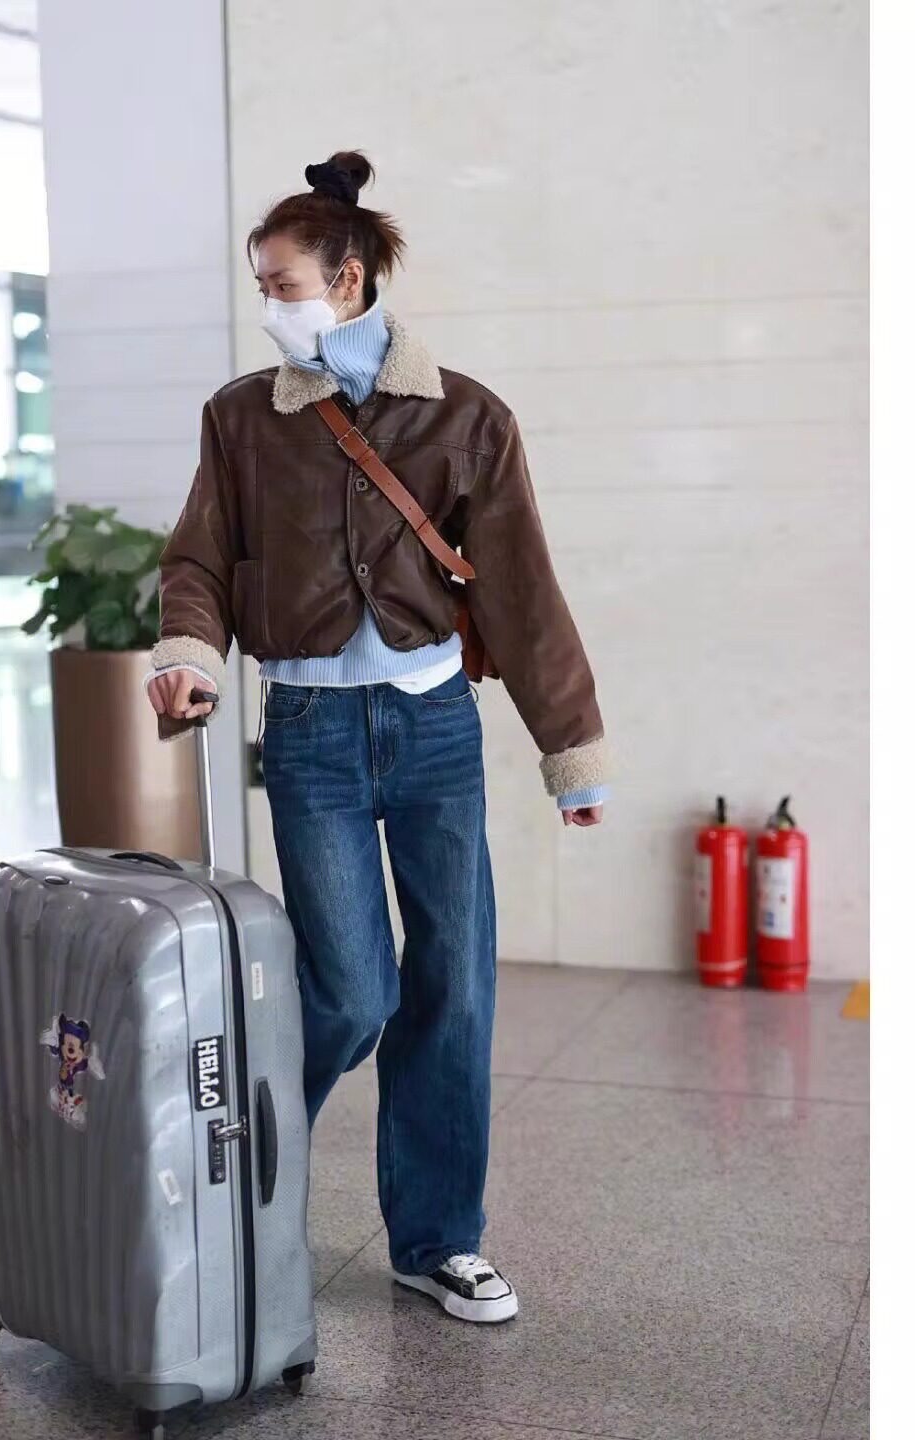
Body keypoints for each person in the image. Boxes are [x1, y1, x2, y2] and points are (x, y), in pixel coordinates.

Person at [146, 150, 608, 1325]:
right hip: (311, 733)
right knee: (351, 993)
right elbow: (199, 557)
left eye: (283, 284)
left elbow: (522, 590)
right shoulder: (241, 419)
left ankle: (439, 1240)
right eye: (262, 285)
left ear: (347, 280)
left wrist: (570, 752)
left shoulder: (466, 415)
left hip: (435, 727)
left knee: (453, 985)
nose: (268, 306)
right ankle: (230, 1187)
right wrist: (189, 655)